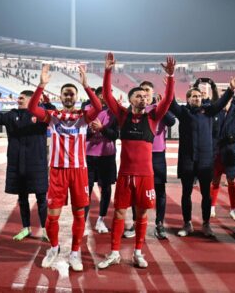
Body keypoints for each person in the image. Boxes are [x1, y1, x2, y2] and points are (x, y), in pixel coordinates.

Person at [97, 53, 175, 269]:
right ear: (130, 99)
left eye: (145, 96)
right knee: (120, 213)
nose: (143, 98)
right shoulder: (121, 116)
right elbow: (106, 94)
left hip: (145, 176)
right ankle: (114, 253)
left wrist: (170, 76)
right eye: (138, 96)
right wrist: (108, 71)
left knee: (141, 215)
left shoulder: (153, 118)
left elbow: (168, 100)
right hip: (125, 175)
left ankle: (138, 253)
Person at [27, 64, 102, 272]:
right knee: (52, 216)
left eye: (71, 94)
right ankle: (53, 248)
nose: (68, 96)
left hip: (79, 171)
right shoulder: (53, 116)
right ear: (60, 97)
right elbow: (32, 109)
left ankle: (75, 252)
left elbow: (98, 107)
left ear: (76, 97)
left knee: (79, 215)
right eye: (65, 94)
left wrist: (86, 85)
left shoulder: (83, 117)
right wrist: (41, 85)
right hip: (58, 170)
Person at [170, 74, 235, 238]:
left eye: (199, 96)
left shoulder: (209, 111)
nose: (197, 98)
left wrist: (231, 89)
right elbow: (171, 102)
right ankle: (187, 223)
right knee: (186, 193)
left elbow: (222, 102)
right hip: (187, 160)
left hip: (205, 160)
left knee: (206, 194)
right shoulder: (183, 112)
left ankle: (206, 224)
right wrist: (170, 80)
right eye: (193, 96)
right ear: (188, 99)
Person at [0, 90, 50, 242]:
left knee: (42, 198)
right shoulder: (11, 115)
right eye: (19, 97)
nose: (19, 99)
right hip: (18, 164)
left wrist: (48, 102)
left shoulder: (41, 115)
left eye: (22, 98)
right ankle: (26, 228)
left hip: (37, 163)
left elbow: (54, 114)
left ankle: (46, 230)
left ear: (33, 100)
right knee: (22, 198)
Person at [140, 81, 177, 240]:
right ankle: (137, 222)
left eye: (147, 90)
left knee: (160, 191)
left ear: (153, 92)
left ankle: (159, 223)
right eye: (142, 91)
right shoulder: (135, 109)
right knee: (138, 191)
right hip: (140, 156)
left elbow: (171, 121)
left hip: (157, 155)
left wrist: (162, 105)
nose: (145, 93)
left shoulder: (158, 108)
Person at [84, 87, 119, 234]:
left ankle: (101, 220)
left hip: (107, 156)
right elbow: (81, 134)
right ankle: (83, 222)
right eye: (102, 95)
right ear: (96, 96)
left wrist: (102, 128)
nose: (106, 97)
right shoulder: (86, 110)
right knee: (86, 190)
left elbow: (115, 135)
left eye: (109, 94)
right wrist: (90, 131)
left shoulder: (114, 113)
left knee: (106, 189)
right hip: (88, 156)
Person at [210, 94, 235, 222]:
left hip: (230, 151)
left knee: (231, 181)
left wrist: (234, 136)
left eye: (228, 98)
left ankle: (233, 209)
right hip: (216, 151)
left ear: (231, 99)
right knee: (215, 181)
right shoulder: (215, 111)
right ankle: (212, 207)